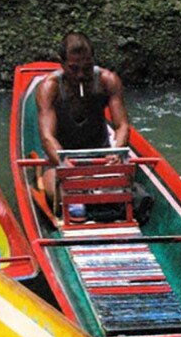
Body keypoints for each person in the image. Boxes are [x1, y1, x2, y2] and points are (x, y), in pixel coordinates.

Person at [36, 32, 130, 209]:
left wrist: (117, 151)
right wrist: (64, 163)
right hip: (62, 158)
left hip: (101, 156)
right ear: (62, 64)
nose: (80, 75)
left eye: (87, 68)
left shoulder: (107, 81)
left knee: (123, 191)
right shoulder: (50, 88)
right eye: (73, 68)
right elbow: (47, 136)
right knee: (63, 193)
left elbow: (122, 125)